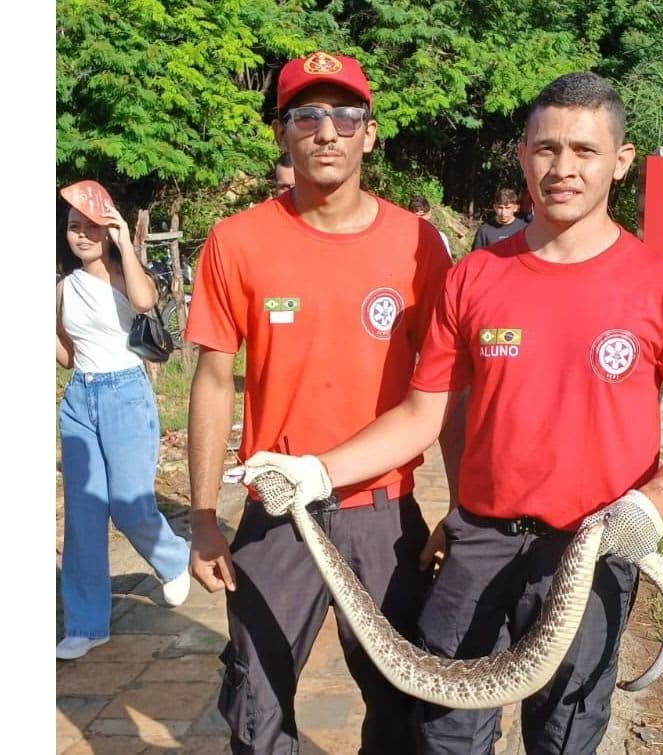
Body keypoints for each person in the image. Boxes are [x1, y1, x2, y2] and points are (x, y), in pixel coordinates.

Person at [240, 72, 663, 754]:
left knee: (564, 732)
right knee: (445, 729)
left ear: (620, 161)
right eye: (546, 148)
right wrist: (317, 473)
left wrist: (654, 503)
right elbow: (421, 412)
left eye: (585, 151)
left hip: (588, 548)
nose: (563, 168)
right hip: (478, 544)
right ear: (523, 154)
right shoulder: (475, 277)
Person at [183, 50, 457, 754]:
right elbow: (213, 380)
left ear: (370, 133)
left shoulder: (420, 244)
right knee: (255, 700)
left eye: (344, 115)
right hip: (280, 513)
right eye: (306, 114)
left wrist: (461, 508)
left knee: (404, 703)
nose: (326, 131)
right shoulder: (237, 242)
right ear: (282, 133)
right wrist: (205, 515)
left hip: (383, 515)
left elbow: (445, 390)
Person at [55, 179, 192, 661]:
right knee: (84, 513)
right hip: (80, 401)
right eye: (74, 227)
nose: (82, 235)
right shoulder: (63, 289)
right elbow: (66, 356)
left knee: (129, 503)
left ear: (108, 227)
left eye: (92, 226)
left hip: (126, 394)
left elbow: (144, 301)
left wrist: (122, 242)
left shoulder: (121, 276)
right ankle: (87, 623)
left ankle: (174, 560)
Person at [408, 194, 453, 259]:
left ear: (429, 214)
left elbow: (446, 262)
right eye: (414, 216)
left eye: (422, 215)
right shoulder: (404, 234)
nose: (418, 220)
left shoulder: (440, 238)